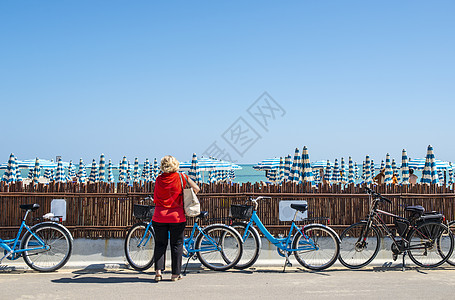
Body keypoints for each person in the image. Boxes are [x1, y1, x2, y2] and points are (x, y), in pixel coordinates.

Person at [152, 155, 200, 282]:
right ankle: (175, 274)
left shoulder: (158, 179)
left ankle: (158, 273)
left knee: (160, 244)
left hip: (159, 216)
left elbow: (155, 198)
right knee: (177, 245)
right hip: (177, 217)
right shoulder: (182, 177)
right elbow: (196, 188)